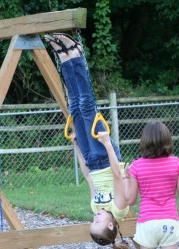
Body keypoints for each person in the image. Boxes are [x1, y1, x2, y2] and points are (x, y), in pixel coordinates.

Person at [44, 33, 130, 249]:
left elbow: (86, 175)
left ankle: (64, 58)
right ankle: (76, 53)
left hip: (91, 160)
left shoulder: (95, 207)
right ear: (111, 226)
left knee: (74, 107)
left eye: (93, 221)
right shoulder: (119, 209)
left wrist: (77, 148)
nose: (95, 217)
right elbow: (118, 176)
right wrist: (108, 143)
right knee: (86, 106)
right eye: (98, 222)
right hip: (104, 155)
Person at [125, 120, 179, 249]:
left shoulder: (136, 166)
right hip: (169, 222)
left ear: (144, 141)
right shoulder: (176, 163)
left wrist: (126, 177)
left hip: (147, 222)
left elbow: (130, 200)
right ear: (167, 140)